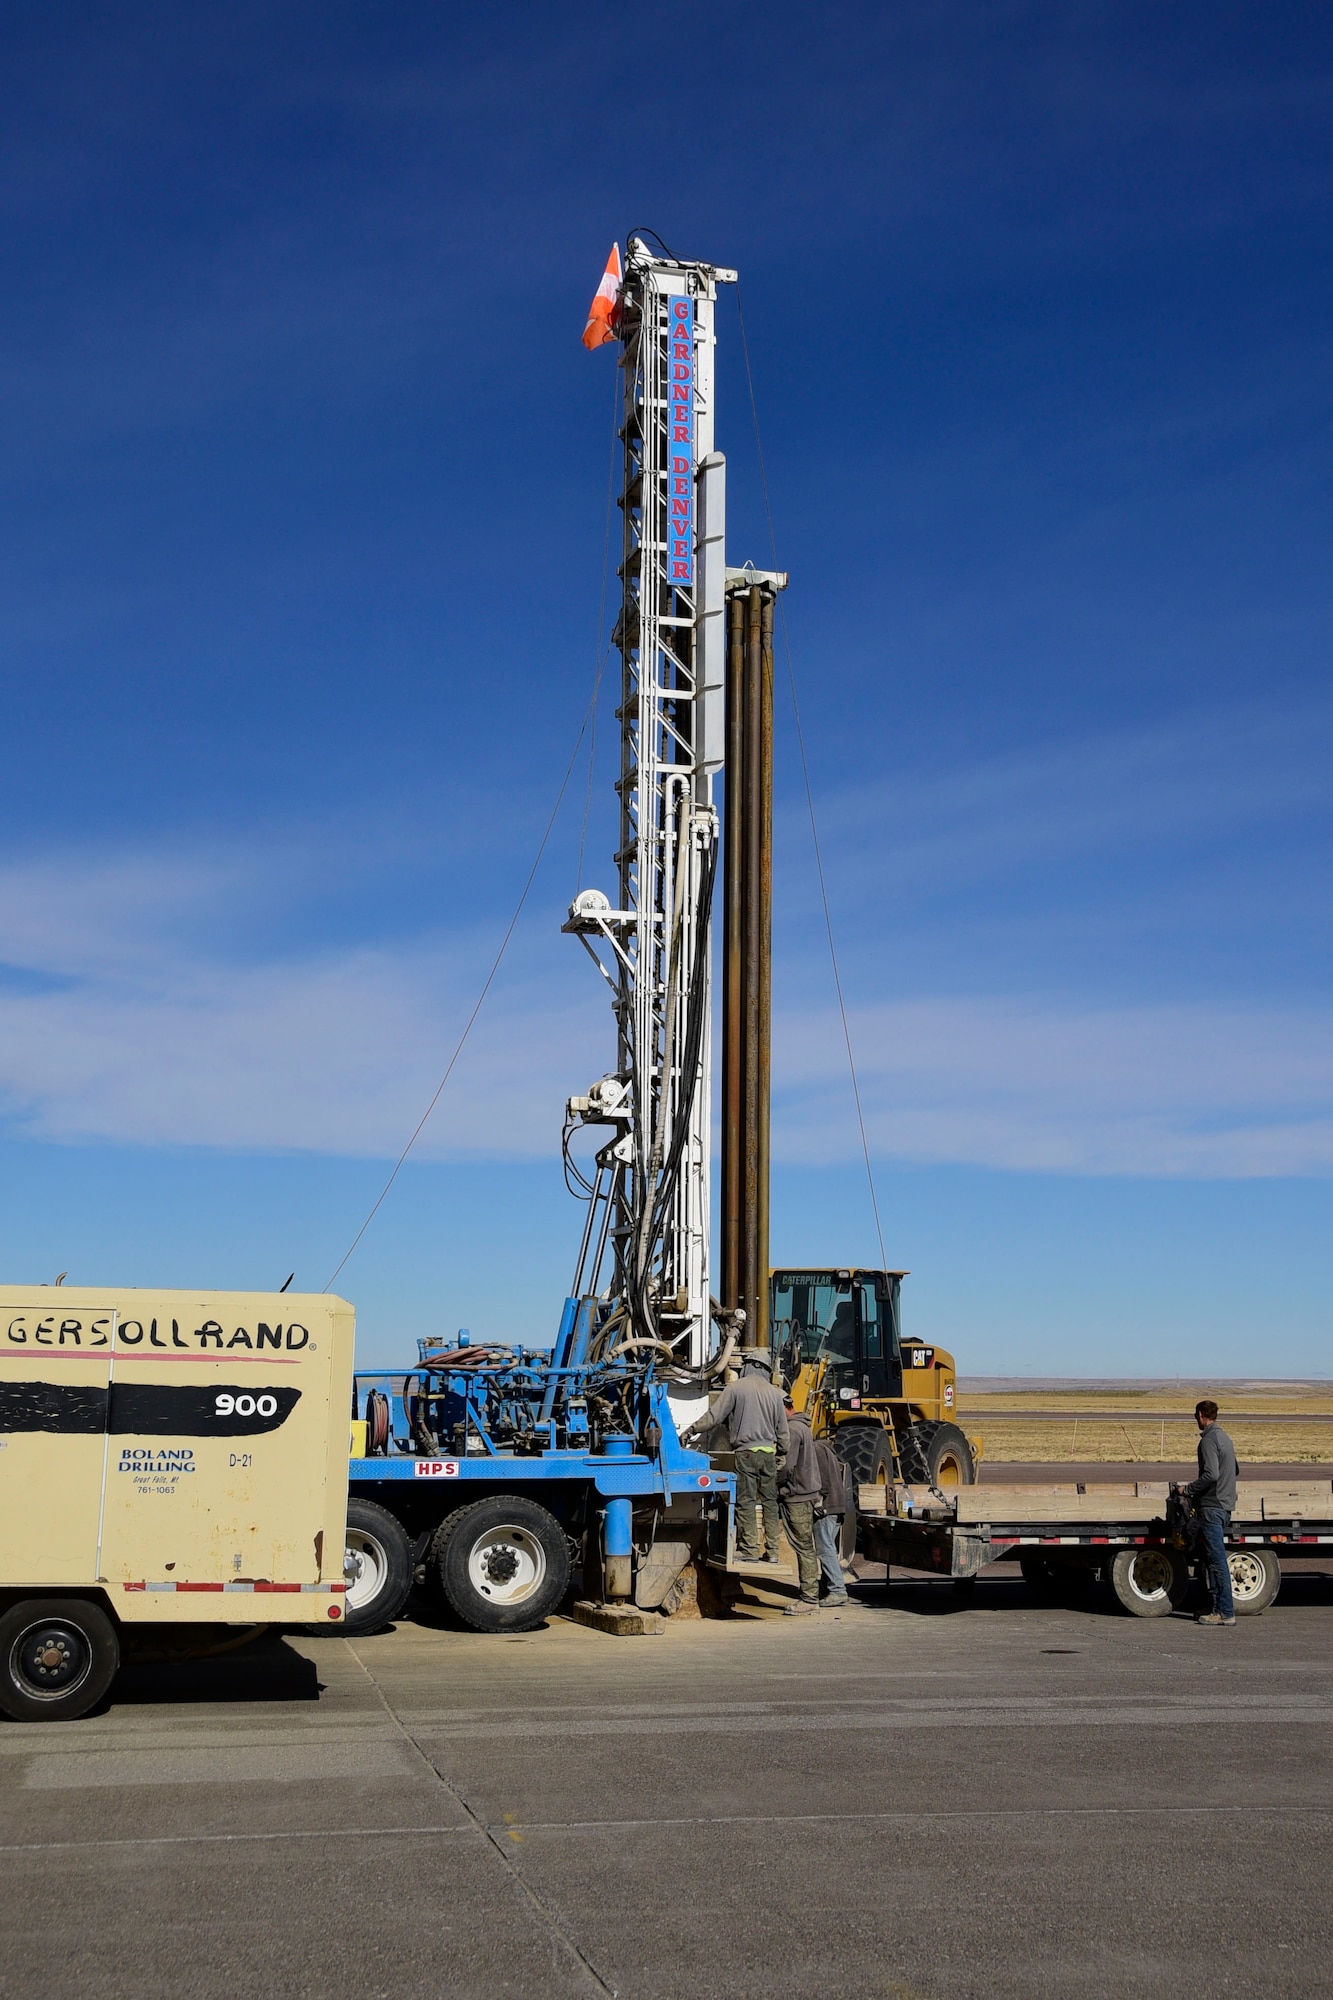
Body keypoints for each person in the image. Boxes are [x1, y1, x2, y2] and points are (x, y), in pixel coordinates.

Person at [682, 1350, 788, 1563]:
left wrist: (692, 1429)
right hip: (768, 1455)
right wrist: (783, 1452)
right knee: (769, 1502)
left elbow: (714, 1416)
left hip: (746, 1454)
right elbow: (783, 1431)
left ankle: (750, 1549)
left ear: (749, 1365)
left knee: (746, 1501)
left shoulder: (736, 1388)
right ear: (766, 1369)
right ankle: (773, 1552)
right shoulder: (776, 1394)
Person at [1188, 1398, 1238, 1626]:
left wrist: (1187, 1489)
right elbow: (1235, 1469)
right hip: (1226, 1504)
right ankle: (1216, 1606)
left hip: (1212, 1505)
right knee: (1211, 1560)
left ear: (1200, 1415)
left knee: (1217, 1561)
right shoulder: (1225, 1438)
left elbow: (1211, 1475)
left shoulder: (1208, 1440)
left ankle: (1225, 1612)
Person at [776, 1394, 823, 1615]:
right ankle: (811, 1595)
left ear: (784, 1409)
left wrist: (770, 1483)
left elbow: (786, 1466)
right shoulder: (802, 1426)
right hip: (805, 1494)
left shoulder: (792, 1430)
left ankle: (809, 1599)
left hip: (797, 1496)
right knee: (807, 1546)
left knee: (804, 1547)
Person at [813, 1433, 851, 1607]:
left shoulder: (816, 1449)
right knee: (828, 1547)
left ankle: (837, 1590)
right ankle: (827, 1588)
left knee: (824, 1548)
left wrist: (818, 1501)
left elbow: (822, 1480)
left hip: (827, 1507)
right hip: (836, 1506)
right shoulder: (828, 1450)